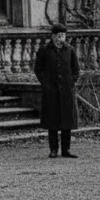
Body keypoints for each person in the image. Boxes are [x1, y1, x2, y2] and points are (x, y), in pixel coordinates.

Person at [34, 23, 79, 158]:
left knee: (67, 121)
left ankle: (66, 149)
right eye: (59, 36)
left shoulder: (70, 50)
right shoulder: (44, 50)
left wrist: (71, 82)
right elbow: (38, 69)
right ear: (53, 37)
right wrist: (46, 84)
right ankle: (53, 149)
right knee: (52, 121)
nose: (61, 39)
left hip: (66, 91)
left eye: (63, 36)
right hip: (51, 91)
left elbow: (75, 69)